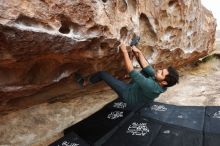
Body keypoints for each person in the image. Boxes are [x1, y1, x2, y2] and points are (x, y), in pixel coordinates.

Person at [75, 41, 179, 106]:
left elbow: (131, 71)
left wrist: (124, 52)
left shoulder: (152, 86)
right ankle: (133, 48)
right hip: (138, 90)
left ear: (164, 82)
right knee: (145, 71)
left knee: (103, 74)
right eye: (161, 70)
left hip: (128, 95)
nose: (158, 71)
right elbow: (147, 67)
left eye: (161, 73)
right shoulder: (161, 83)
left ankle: (84, 82)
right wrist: (138, 52)